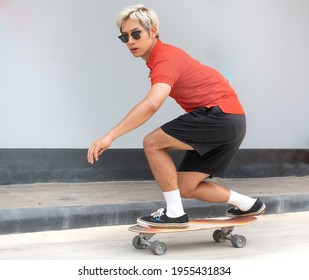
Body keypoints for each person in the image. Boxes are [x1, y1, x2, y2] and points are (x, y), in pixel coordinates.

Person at [87, 4, 266, 229]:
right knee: (186, 186)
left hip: (220, 115)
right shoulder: (163, 59)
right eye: (124, 37)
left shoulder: (165, 59)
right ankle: (248, 204)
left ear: (153, 32)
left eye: (135, 33)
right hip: (232, 120)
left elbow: (152, 104)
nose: (130, 41)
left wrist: (110, 136)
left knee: (152, 143)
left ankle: (174, 214)